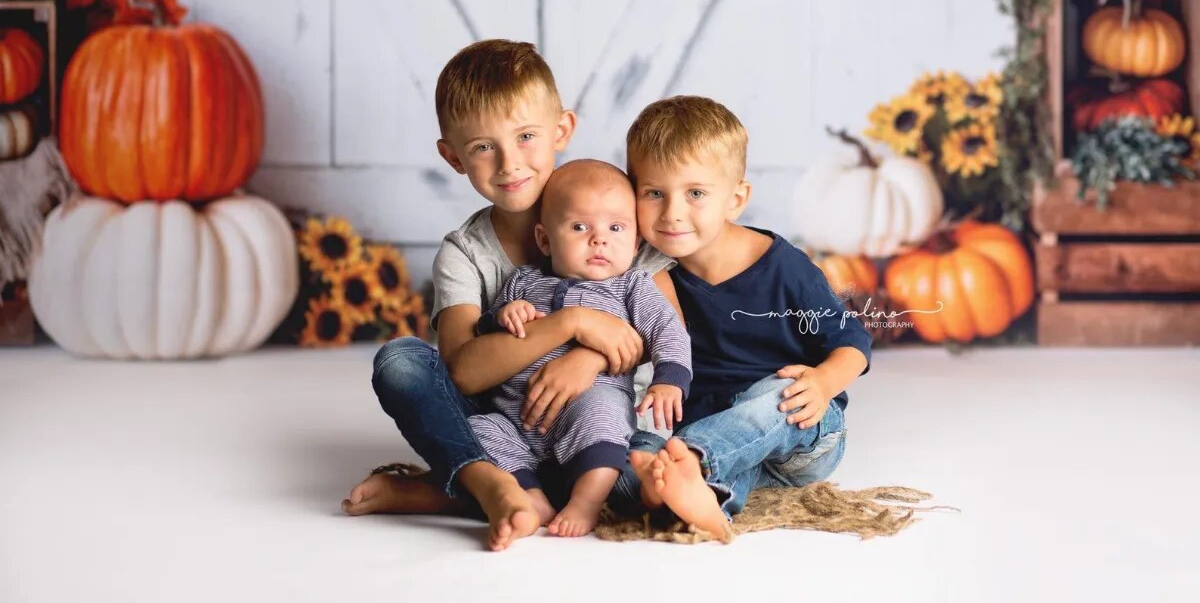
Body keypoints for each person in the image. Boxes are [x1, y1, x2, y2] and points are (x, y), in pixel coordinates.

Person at [340, 40, 680, 551]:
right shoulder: (466, 252)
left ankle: (453, 491)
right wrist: (569, 325)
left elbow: (667, 332)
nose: (508, 163)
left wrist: (586, 360)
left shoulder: (610, 215)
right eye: (482, 147)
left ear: (561, 130)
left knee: (640, 481)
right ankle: (492, 483)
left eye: (525, 137)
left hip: (605, 424)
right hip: (504, 417)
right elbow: (464, 372)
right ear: (453, 156)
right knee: (401, 362)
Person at [611, 96, 872, 541]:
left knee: (777, 393)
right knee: (619, 465)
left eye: (695, 193)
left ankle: (689, 464)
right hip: (717, 435)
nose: (672, 212)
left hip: (798, 427)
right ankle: (694, 498)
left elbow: (853, 344)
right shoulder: (645, 271)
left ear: (736, 199)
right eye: (654, 193)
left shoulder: (785, 268)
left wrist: (825, 382)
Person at [469, 159, 690, 537]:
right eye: (579, 227)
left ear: (634, 243)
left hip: (589, 401)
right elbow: (486, 331)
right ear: (544, 239)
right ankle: (532, 495)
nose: (599, 239)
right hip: (516, 414)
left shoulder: (631, 286)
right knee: (478, 428)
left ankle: (585, 502)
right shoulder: (523, 280)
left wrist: (670, 379)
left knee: (603, 415)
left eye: (616, 228)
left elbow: (667, 329)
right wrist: (507, 314)